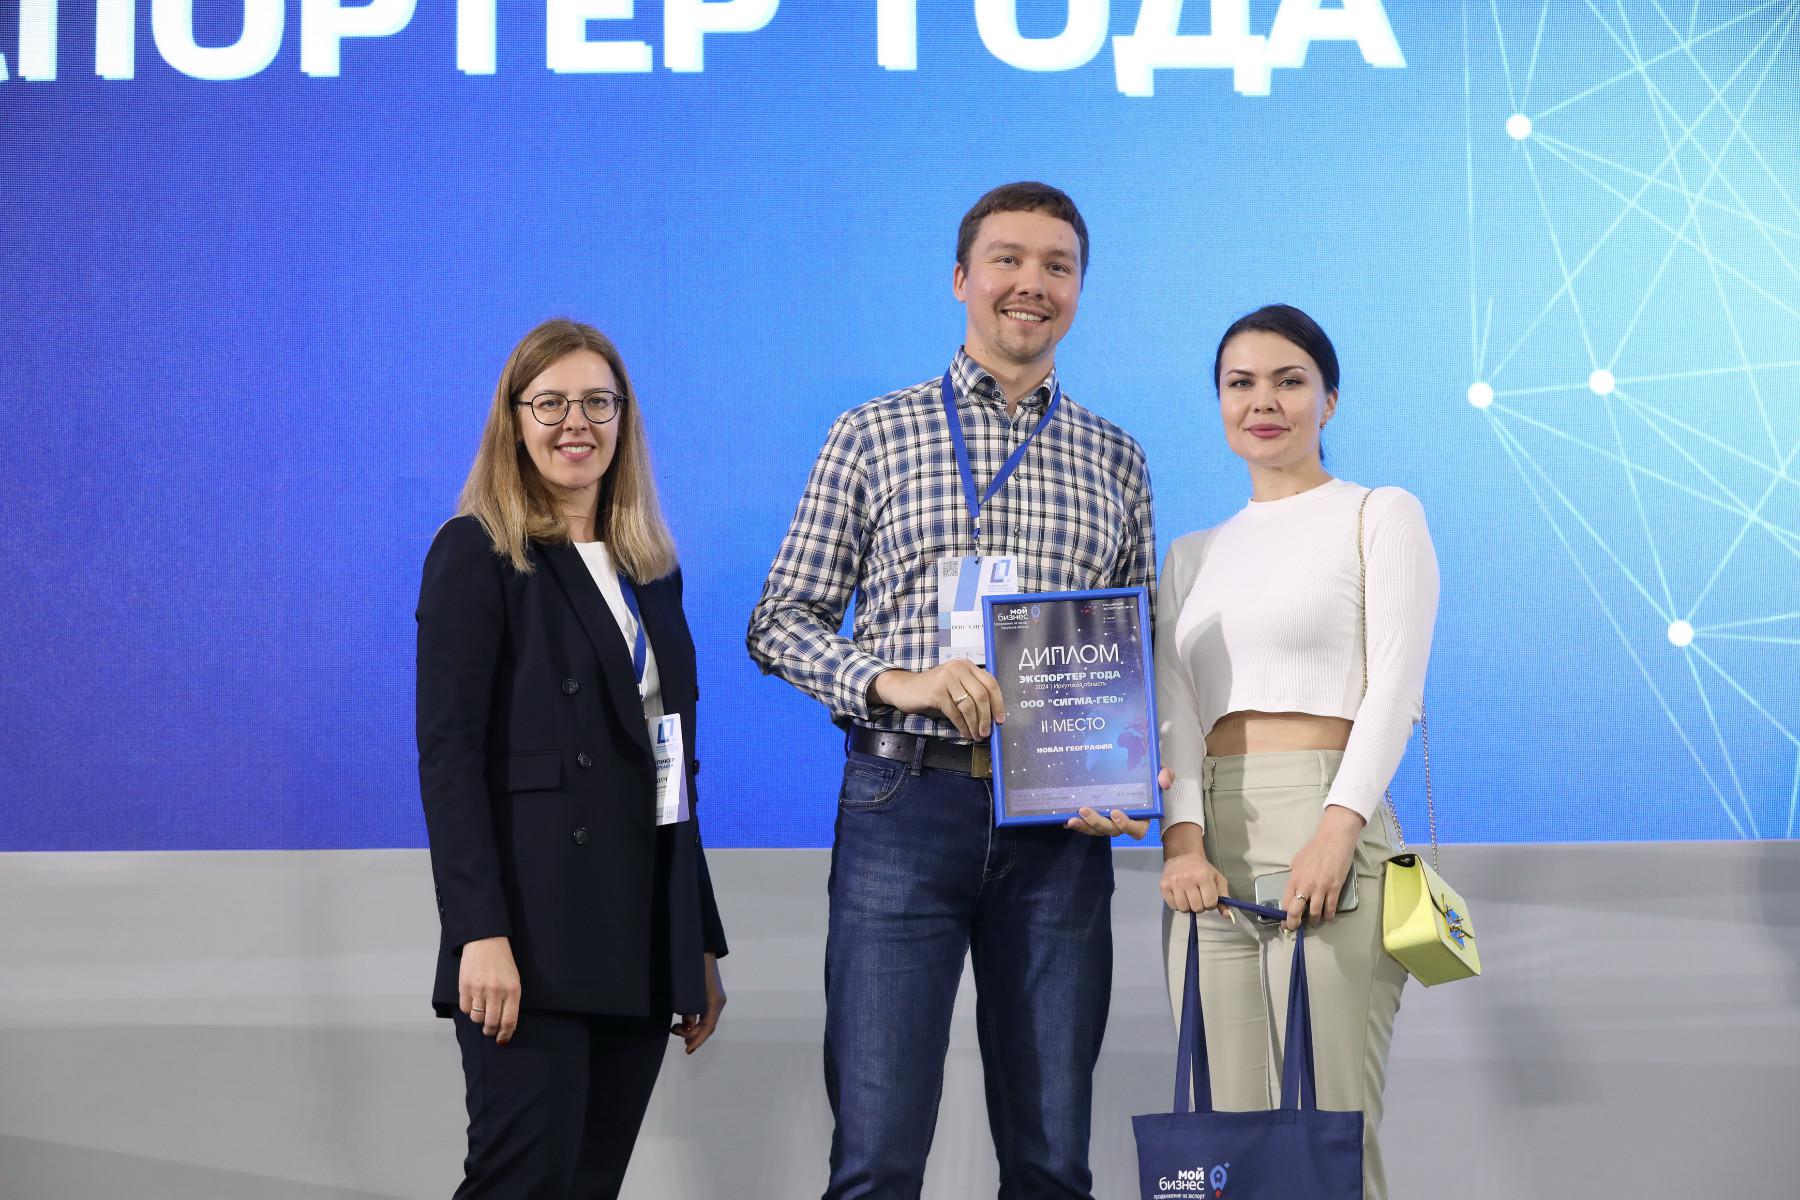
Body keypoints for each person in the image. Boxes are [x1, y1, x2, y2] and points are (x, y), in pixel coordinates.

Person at [747, 181, 1156, 1199]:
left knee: (1053, 1160)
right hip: (904, 801)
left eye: (1058, 266)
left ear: (1079, 291)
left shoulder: (1117, 457)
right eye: (1008, 259)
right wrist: (895, 679)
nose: (1032, 283)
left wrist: (1127, 771)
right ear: (963, 278)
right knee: (878, 1158)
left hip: (1059, 828)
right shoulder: (872, 433)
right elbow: (779, 621)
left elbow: (1136, 650)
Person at [417, 317, 728, 1199]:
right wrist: (478, 933)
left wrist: (696, 941)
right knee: (519, 1183)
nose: (575, 424)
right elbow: (449, 759)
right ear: (513, 419)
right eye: (549, 403)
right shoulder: (476, 551)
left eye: (597, 402)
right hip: (529, 939)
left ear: (624, 418)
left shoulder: (651, 570)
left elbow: (672, 768)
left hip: (639, 936)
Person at [1155, 304, 1438, 1200]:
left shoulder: (1378, 514)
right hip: (1208, 848)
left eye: (1290, 381)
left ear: (1330, 399)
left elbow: (1394, 690)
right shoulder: (1190, 555)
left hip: (1328, 821)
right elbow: (1174, 713)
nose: (1263, 401)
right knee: (1226, 1153)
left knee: (1327, 1137)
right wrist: (1181, 842)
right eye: (1240, 383)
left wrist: (1335, 830)